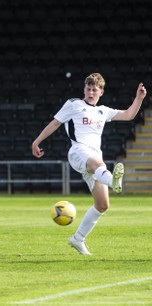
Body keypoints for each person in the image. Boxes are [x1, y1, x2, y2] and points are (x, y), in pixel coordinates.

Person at [32, 73, 147, 255]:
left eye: (95, 89)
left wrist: (139, 98)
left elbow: (128, 115)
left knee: (102, 205)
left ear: (101, 92)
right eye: (88, 88)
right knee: (97, 163)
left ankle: (77, 239)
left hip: (94, 160)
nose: (91, 92)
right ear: (84, 89)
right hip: (78, 153)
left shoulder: (103, 111)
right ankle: (113, 181)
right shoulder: (74, 104)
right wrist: (36, 142)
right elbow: (54, 124)